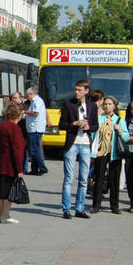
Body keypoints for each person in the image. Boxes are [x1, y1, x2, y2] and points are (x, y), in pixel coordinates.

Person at [59, 80, 98, 219]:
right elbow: (61, 125)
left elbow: (95, 125)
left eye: (79, 90)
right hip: (72, 144)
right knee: (69, 178)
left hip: (86, 143)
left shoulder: (92, 106)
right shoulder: (69, 104)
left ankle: (80, 208)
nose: (76, 92)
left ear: (86, 91)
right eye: (75, 89)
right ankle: (66, 209)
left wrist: (89, 127)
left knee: (83, 179)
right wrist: (74, 123)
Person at [91, 96, 129, 214]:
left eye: (110, 104)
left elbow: (126, 137)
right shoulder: (98, 118)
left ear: (114, 106)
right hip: (101, 151)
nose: (107, 106)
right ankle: (96, 205)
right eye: (105, 104)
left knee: (114, 180)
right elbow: (93, 134)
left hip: (114, 153)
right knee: (99, 179)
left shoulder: (119, 120)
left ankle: (114, 205)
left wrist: (120, 131)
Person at [0, 101, 25, 223]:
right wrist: (20, 169)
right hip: (10, 165)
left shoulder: (2, 125)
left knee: (2, 191)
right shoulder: (14, 128)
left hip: (1, 163)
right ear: (18, 114)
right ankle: (5, 215)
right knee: (9, 191)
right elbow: (17, 150)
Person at [24, 86, 48, 176]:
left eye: (28, 95)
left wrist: (25, 112)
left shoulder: (36, 101)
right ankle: (34, 169)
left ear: (31, 94)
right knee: (34, 149)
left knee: (35, 150)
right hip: (32, 128)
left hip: (36, 129)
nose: (27, 97)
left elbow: (35, 113)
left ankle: (43, 168)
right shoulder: (34, 101)